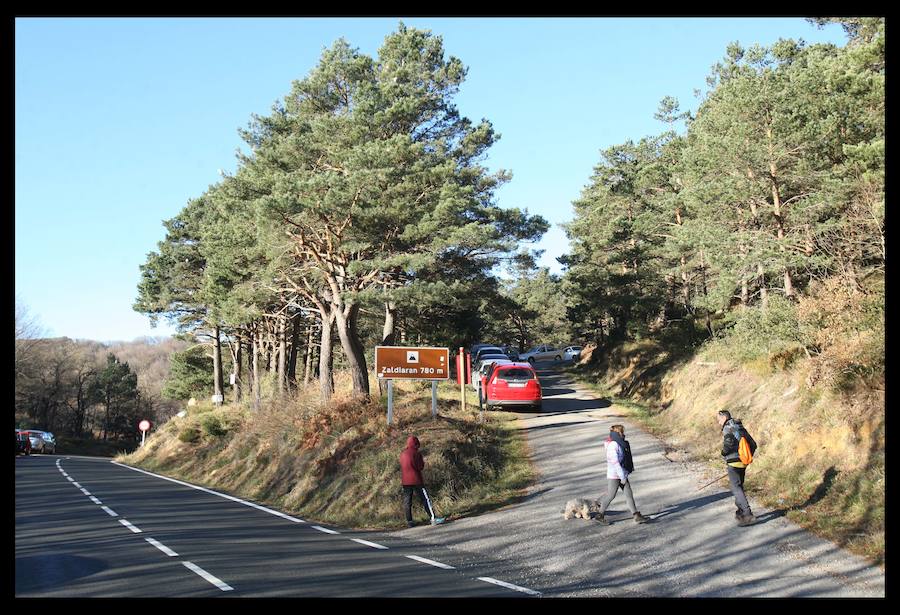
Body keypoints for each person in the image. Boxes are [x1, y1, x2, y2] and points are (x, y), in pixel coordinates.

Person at [595, 425, 649, 525]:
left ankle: (636, 515)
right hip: (615, 475)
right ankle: (599, 514)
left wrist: (624, 474)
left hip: (621, 474)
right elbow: (615, 463)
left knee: (629, 494)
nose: (623, 434)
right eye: (622, 432)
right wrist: (622, 476)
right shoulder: (613, 445)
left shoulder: (619, 443)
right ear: (617, 433)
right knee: (611, 495)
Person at [717, 410, 757, 526]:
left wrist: (724, 453)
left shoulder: (728, 428)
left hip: (733, 463)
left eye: (719, 419)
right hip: (743, 463)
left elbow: (728, 444)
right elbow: (753, 444)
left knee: (736, 488)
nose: (718, 422)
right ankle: (741, 513)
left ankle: (748, 514)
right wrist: (746, 457)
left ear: (724, 418)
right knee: (739, 486)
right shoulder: (740, 427)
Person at [400, 435, 445, 527]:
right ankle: (433, 518)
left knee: (407, 501)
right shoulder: (416, 453)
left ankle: (409, 521)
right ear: (416, 444)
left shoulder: (403, 454)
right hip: (416, 480)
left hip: (405, 481)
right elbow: (420, 467)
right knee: (425, 499)